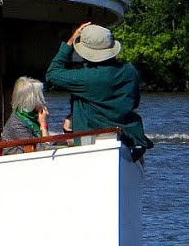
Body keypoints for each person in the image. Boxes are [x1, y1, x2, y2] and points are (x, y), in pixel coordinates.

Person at [44, 22, 151, 159]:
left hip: (91, 142)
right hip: (129, 138)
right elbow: (134, 102)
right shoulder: (130, 71)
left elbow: (52, 73)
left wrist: (70, 41)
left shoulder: (86, 78)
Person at [1, 77, 50, 154]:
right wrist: (44, 125)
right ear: (31, 101)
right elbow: (44, 150)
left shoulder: (32, 117)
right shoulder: (16, 124)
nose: (43, 101)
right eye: (40, 97)